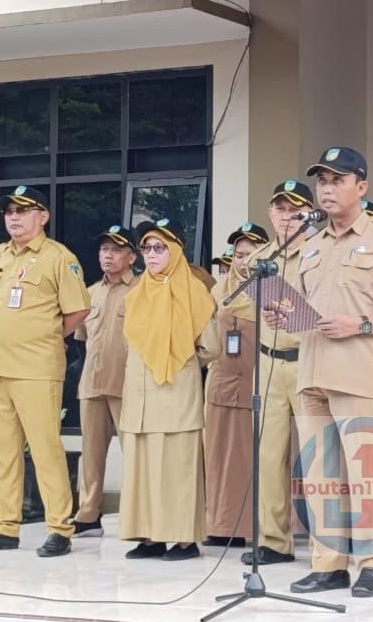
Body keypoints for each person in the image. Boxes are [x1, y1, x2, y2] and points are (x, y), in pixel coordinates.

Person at [277, 147, 373, 598]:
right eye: (322, 180)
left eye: (337, 179)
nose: (326, 187)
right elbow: (306, 309)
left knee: (365, 474)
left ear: (362, 187)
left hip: (357, 371)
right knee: (320, 476)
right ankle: (328, 564)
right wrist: (287, 317)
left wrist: (360, 325)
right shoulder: (311, 245)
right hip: (312, 370)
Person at [0, 186, 90, 558]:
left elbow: (78, 310)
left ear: (43, 217)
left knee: (46, 449)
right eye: (9, 212)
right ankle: (5, 526)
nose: (14, 218)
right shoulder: (0, 255)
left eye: (23, 211)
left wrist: (45, 335)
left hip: (36, 368)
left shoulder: (58, 258)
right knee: (5, 452)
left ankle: (59, 529)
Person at [119, 219, 219, 560]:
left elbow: (212, 347)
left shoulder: (195, 291)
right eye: (146, 248)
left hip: (176, 394)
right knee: (143, 468)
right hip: (140, 398)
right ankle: (149, 537)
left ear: (175, 251)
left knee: (178, 469)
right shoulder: (136, 294)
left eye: (159, 248)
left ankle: (183, 540)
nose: (151, 254)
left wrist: (180, 360)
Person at [239, 179, 318, 568]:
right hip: (269, 362)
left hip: (308, 360)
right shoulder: (260, 259)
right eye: (280, 209)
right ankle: (273, 540)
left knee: (319, 457)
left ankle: (329, 544)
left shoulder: (320, 253)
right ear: (270, 212)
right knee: (269, 456)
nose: (287, 217)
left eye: (295, 210)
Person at [202, 222, 269, 548]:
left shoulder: (273, 293)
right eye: (239, 254)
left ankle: (249, 528)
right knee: (217, 456)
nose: (243, 261)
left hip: (256, 384)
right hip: (220, 383)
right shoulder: (220, 290)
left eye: (251, 254)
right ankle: (219, 523)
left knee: (251, 458)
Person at [70, 224, 138, 538]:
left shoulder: (140, 290)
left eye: (115, 250)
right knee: (91, 452)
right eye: (103, 250)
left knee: (134, 451)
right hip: (92, 382)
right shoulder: (91, 292)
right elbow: (83, 337)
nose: (107, 256)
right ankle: (88, 514)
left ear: (131, 256)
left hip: (126, 384)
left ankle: (138, 516)